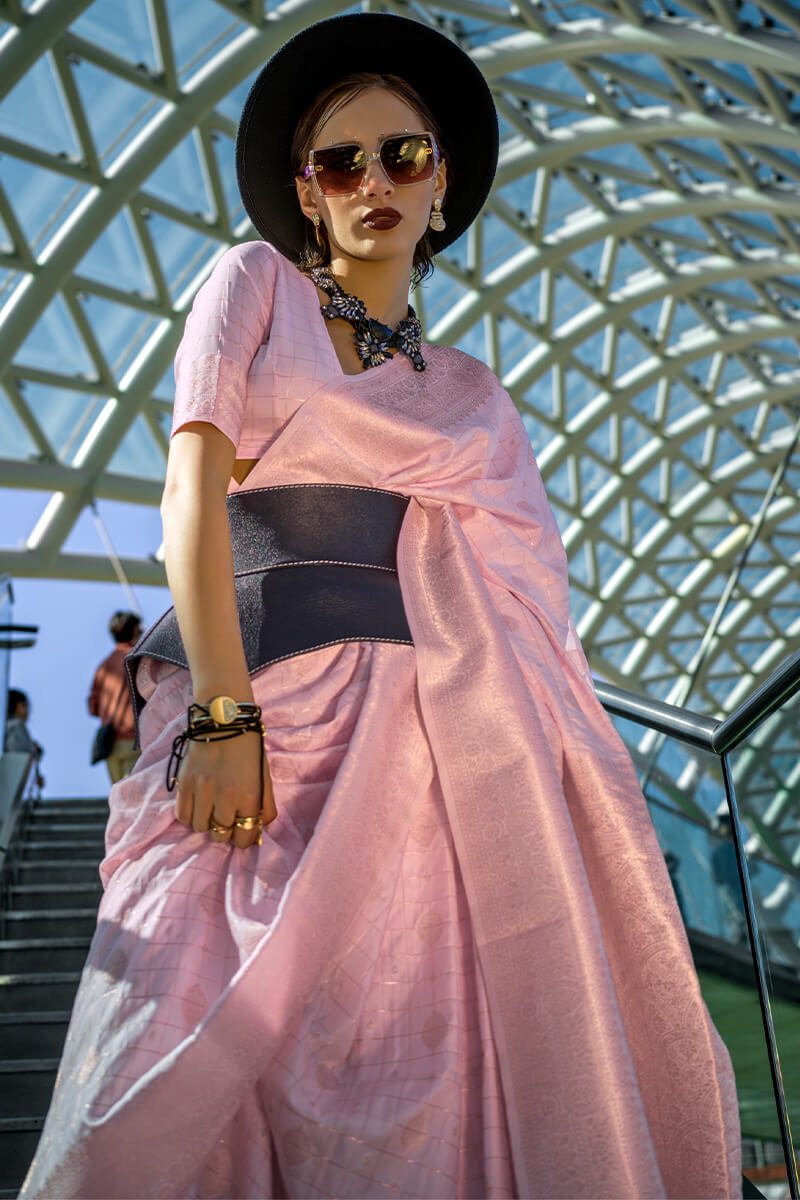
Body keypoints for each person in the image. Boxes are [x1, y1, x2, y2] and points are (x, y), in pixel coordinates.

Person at [21, 14, 741, 1199]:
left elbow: (525, 606)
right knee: (160, 1060)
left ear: (442, 179)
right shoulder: (250, 283)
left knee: (421, 1090)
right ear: (303, 195)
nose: (373, 184)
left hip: (434, 759)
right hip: (259, 718)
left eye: (401, 155)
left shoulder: (469, 394)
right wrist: (218, 711)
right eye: (338, 163)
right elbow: (189, 494)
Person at [87, 611, 141, 784]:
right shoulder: (139, 659)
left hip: (110, 742)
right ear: (134, 631)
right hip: (135, 737)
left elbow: (92, 706)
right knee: (133, 795)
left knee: (119, 793)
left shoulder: (103, 666)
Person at [4, 688, 44, 789]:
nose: (28, 712)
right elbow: (23, 753)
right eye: (26, 706)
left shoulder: (5, 726)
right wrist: (36, 751)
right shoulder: (16, 726)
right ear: (19, 705)